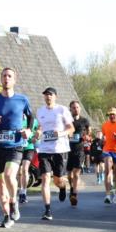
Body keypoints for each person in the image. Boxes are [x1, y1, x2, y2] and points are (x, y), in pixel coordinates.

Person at [0, 67, 34, 229]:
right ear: (1, 79)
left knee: (9, 174)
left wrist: (28, 130)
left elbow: (31, 117)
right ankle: (6, 215)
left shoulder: (22, 100)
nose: (6, 78)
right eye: (4, 76)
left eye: (9, 76)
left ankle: (14, 202)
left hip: (16, 143)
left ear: (14, 80)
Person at [36, 88, 75, 220]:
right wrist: (38, 132)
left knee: (58, 180)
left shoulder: (62, 110)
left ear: (55, 97)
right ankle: (47, 210)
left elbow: (71, 128)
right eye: (46, 95)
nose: (48, 97)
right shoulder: (40, 111)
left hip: (60, 149)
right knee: (45, 178)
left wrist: (61, 133)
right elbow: (41, 127)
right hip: (44, 149)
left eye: (50, 95)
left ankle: (62, 187)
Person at [67, 100, 90, 206]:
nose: (75, 109)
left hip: (80, 150)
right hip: (68, 150)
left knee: (76, 174)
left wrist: (87, 137)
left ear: (79, 109)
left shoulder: (84, 121)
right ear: (70, 109)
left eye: (77, 107)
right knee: (69, 176)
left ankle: (75, 194)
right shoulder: (67, 121)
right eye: (73, 107)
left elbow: (89, 134)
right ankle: (72, 188)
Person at [16, 113, 39, 205]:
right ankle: (18, 189)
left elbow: (38, 130)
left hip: (29, 147)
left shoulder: (33, 121)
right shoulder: (15, 119)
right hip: (17, 148)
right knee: (18, 171)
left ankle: (23, 193)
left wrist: (36, 137)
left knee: (25, 170)